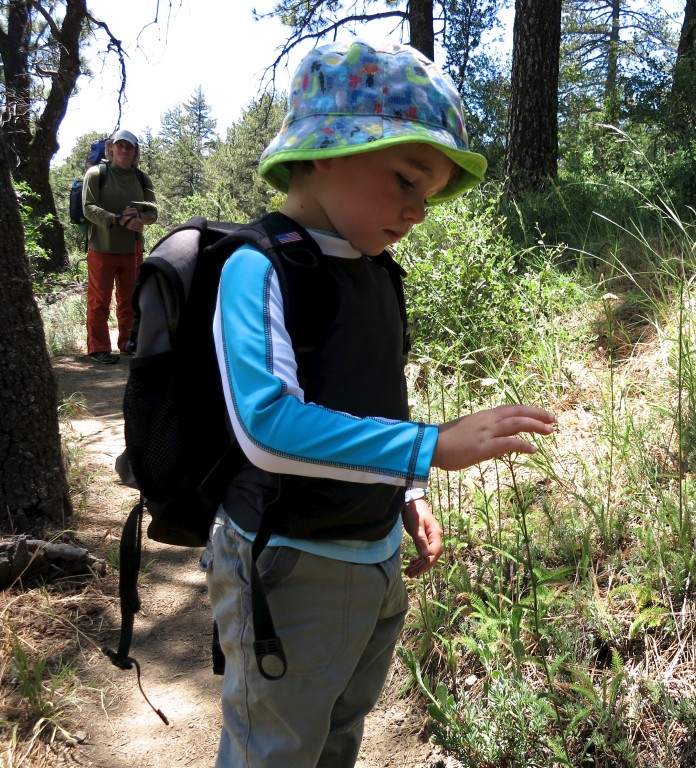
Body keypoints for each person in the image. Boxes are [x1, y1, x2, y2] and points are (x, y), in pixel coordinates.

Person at [200, 37, 557, 768]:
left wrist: (408, 489)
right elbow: (267, 427)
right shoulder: (256, 265)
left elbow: (372, 397)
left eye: (427, 194)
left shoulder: (377, 272)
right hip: (286, 565)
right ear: (325, 148)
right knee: (275, 745)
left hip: (374, 558)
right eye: (404, 178)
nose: (416, 210)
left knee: (337, 733)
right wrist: (429, 446)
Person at [81, 129, 157, 364]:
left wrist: (139, 217)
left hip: (132, 249)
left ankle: (128, 343)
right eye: (120, 145)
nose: (124, 150)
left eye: (129, 147)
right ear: (111, 147)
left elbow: (153, 213)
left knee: (131, 299)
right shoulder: (96, 175)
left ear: (135, 151)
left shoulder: (142, 178)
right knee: (99, 300)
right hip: (101, 248)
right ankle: (98, 348)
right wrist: (118, 219)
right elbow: (88, 208)